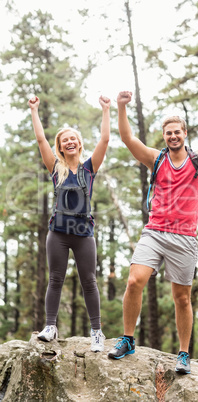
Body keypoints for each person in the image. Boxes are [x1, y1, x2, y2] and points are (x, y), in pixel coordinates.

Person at [108, 91, 198, 372]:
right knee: (133, 281)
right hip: (154, 232)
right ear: (164, 136)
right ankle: (128, 339)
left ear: (185, 133)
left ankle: (183, 354)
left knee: (182, 298)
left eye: (177, 132)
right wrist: (120, 107)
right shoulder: (156, 159)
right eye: (168, 133)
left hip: (184, 237)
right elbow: (128, 139)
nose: (173, 136)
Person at [28, 94, 111, 352]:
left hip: (84, 232)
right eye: (65, 141)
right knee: (55, 279)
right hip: (58, 233)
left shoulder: (89, 168)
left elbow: (106, 139)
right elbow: (41, 139)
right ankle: (50, 327)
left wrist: (106, 110)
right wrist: (34, 110)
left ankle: (97, 332)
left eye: (73, 138)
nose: (70, 142)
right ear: (61, 148)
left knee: (89, 281)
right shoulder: (55, 168)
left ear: (79, 144)